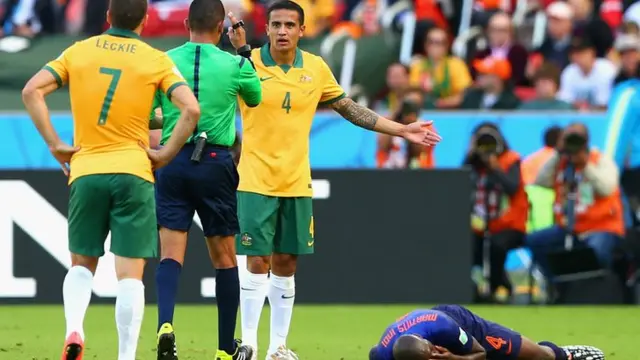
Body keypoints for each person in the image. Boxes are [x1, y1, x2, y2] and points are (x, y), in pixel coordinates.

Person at [226, 2, 442, 359]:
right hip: (254, 179)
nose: (282, 31)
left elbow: (351, 110)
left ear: (301, 29)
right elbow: (217, 103)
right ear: (266, 29)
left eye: (289, 25)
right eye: (276, 24)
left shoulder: (315, 68)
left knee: (286, 263)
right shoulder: (247, 64)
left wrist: (402, 129)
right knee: (256, 260)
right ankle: (247, 342)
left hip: (296, 181)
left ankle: (277, 346)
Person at [21, 0, 201, 358]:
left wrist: (57, 145)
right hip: (134, 171)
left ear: (107, 17)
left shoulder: (79, 51)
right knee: (130, 275)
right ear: (146, 20)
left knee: (82, 264)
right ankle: (126, 355)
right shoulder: (155, 59)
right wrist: (165, 154)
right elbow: (191, 109)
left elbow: (31, 91)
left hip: (86, 170)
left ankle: (75, 328)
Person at [149, 1, 261, 360]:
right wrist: (242, 49)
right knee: (225, 258)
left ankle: (165, 324)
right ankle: (225, 349)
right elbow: (255, 98)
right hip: (215, 160)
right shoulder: (236, 64)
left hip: (172, 157)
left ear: (185, 23)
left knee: (170, 254)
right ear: (220, 29)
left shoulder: (163, 62)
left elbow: (152, 109)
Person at [369, 305, 605, 360]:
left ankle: (564, 355)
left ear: (428, 343)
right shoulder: (382, 353)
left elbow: (480, 353)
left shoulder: (444, 326)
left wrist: (454, 358)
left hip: (464, 326)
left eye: (432, 355)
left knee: (536, 357)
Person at [465, 123, 528, 303]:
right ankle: (474, 289)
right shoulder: (474, 164)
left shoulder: (511, 160)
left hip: (509, 225)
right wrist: (471, 155)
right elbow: (461, 179)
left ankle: (497, 287)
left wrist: (495, 168)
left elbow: (513, 187)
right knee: (465, 245)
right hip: (480, 225)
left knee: (495, 245)